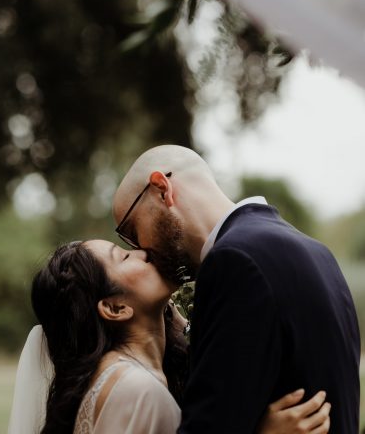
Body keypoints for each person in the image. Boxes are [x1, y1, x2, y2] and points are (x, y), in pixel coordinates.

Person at [113, 144, 361, 433]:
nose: (141, 250)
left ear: (162, 188)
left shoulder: (233, 262)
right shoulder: (319, 253)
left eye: (131, 232)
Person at [9, 239, 332, 434]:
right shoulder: (138, 391)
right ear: (115, 307)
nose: (142, 252)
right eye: (123, 256)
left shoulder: (115, 377)